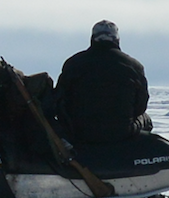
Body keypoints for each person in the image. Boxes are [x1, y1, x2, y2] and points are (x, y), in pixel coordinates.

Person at [56, 20, 152, 148]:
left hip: (80, 132)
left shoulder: (73, 63)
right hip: (121, 132)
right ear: (117, 39)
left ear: (93, 38)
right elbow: (141, 105)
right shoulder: (134, 66)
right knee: (145, 119)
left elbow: (59, 100)